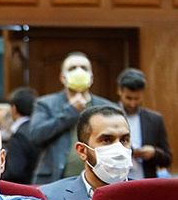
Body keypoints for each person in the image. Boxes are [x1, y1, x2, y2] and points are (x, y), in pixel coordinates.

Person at [28, 52, 117, 184]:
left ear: (91, 77)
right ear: (63, 77)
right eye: (72, 68)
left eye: (84, 68)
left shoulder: (107, 107)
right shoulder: (46, 104)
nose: (78, 71)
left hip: (99, 180)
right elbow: (36, 136)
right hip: (55, 180)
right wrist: (70, 112)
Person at [115, 68, 171, 179]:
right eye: (128, 98)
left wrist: (154, 153)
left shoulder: (155, 119)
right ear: (119, 91)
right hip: (115, 180)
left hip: (145, 180)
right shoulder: (107, 116)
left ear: (142, 93)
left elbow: (167, 159)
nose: (132, 103)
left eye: (137, 98)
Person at [2, 87, 40, 184]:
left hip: (25, 187)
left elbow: (14, 171)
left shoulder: (19, 135)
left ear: (13, 109)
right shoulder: (40, 129)